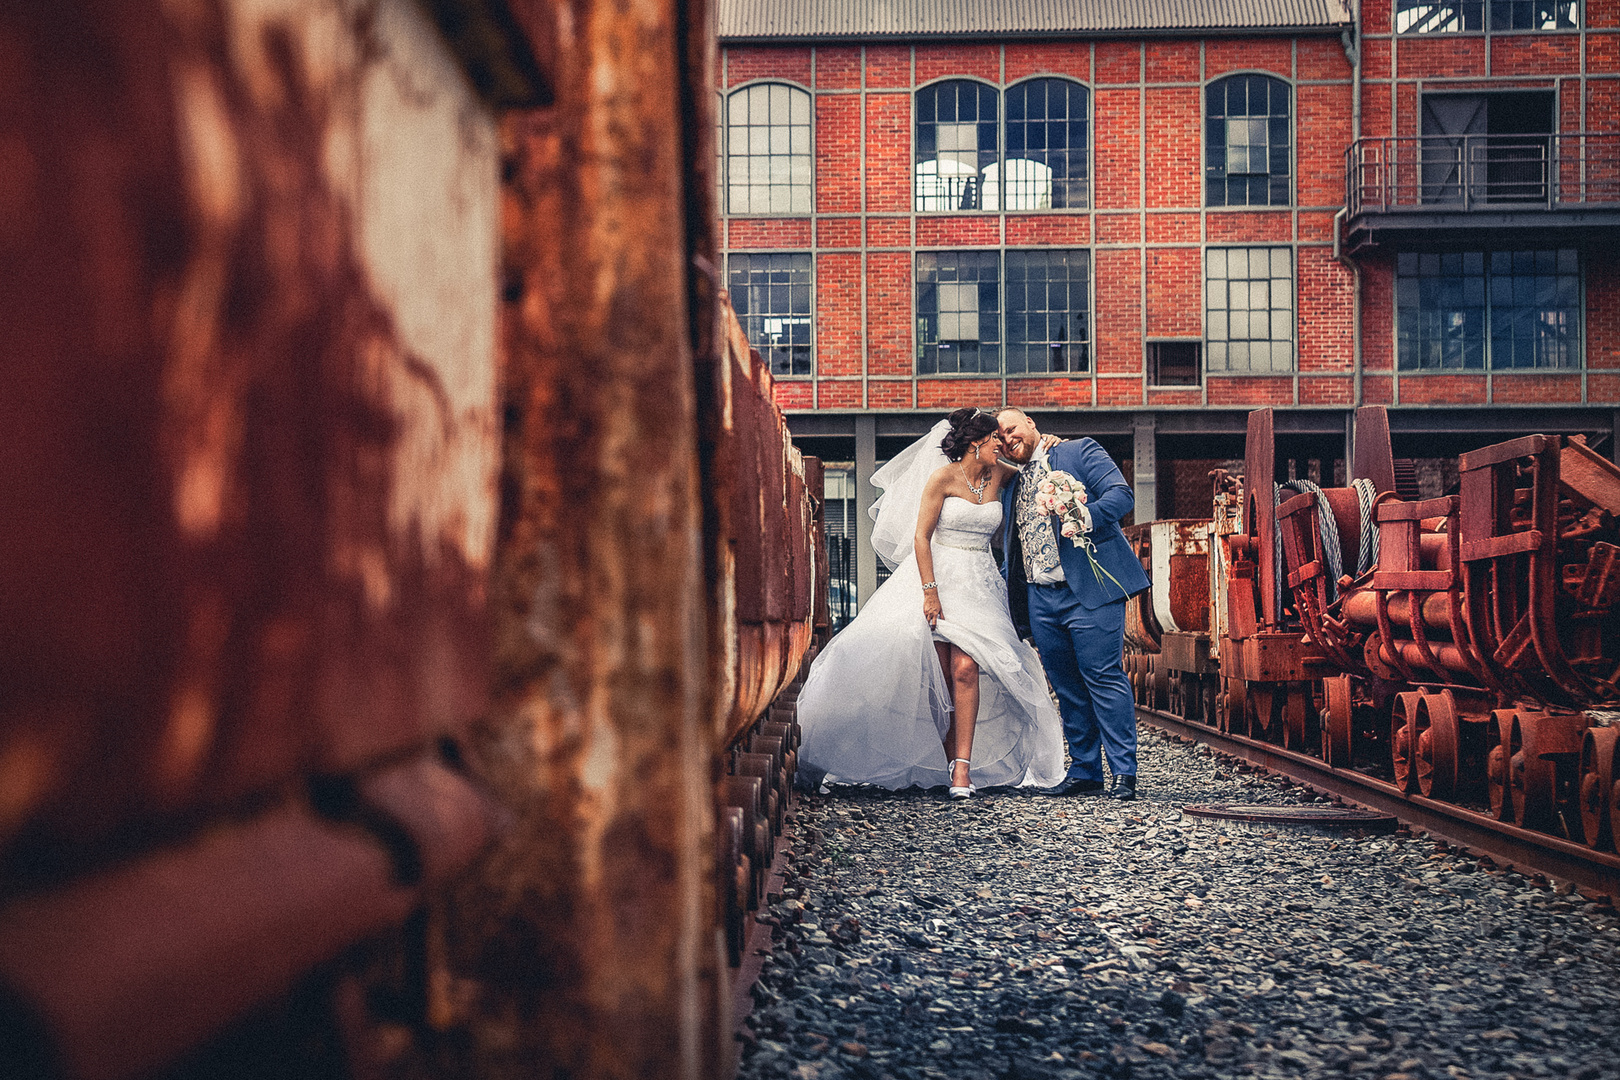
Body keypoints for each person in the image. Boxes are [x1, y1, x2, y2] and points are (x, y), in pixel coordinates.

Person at [795, 409, 1065, 797]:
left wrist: (1048, 444)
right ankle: (929, 757)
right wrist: (930, 592)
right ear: (977, 443)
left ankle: (962, 771)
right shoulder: (942, 477)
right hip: (937, 577)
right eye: (995, 440)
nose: (1001, 446)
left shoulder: (1002, 474)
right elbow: (921, 537)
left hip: (981, 585)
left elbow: (1036, 473)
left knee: (966, 668)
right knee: (935, 678)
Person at [995, 407, 1151, 800]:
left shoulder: (1077, 452)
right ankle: (1084, 771)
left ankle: (1124, 773)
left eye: (1011, 428)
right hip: (1040, 597)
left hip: (1090, 591)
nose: (1008, 438)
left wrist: (1083, 515)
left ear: (1030, 423)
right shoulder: (1010, 480)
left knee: (1104, 678)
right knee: (1066, 687)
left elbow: (1121, 496)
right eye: (1000, 437)